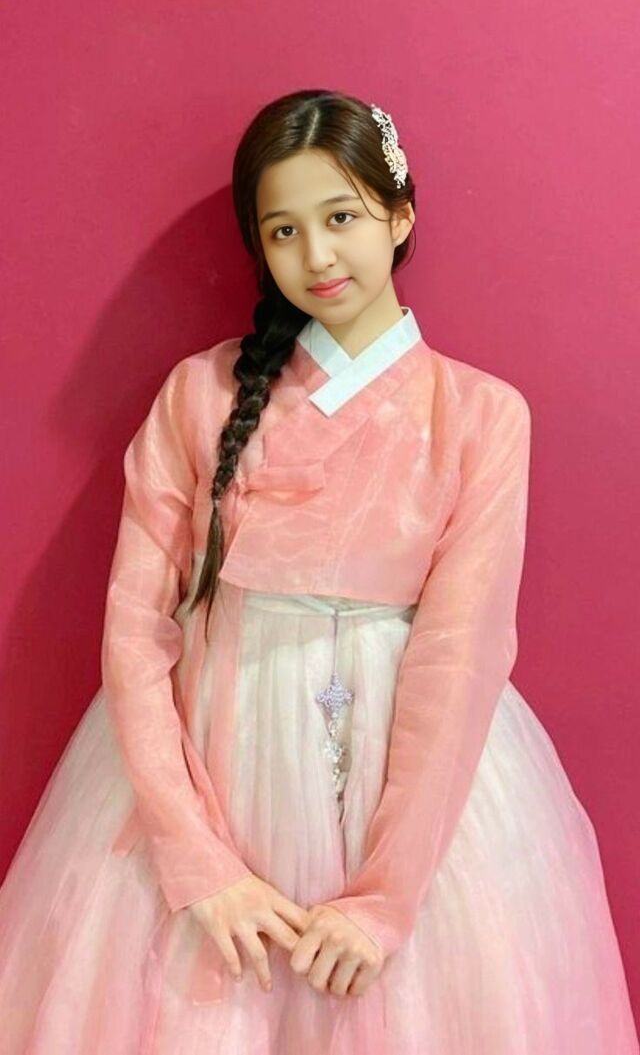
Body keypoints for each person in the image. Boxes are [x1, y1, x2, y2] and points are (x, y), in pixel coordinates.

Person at [0, 88, 638, 1054]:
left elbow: (461, 654)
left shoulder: (479, 416)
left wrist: (386, 899)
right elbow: (134, 631)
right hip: (211, 767)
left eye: (341, 217)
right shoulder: (199, 394)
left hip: (410, 793)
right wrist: (197, 863)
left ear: (400, 214)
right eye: (284, 231)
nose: (317, 255)